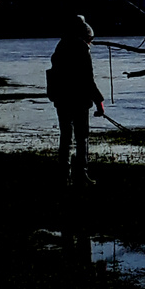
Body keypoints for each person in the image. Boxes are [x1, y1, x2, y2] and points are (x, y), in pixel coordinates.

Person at [47, 15, 105, 186]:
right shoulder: (81, 48)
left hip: (61, 99)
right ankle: (81, 174)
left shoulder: (60, 46)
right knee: (82, 138)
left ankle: (64, 175)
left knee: (65, 136)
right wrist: (99, 102)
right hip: (78, 100)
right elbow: (88, 79)